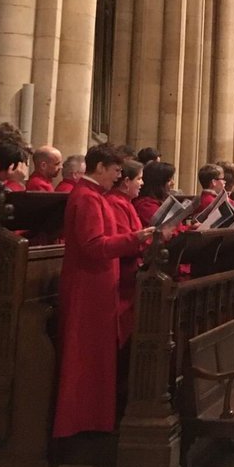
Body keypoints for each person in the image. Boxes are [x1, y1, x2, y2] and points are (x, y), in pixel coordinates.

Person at [52, 144, 154, 439]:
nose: (118, 177)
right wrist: (134, 239)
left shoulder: (96, 196)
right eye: (115, 171)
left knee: (97, 358)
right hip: (88, 286)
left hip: (99, 284)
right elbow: (93, 245)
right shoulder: (86, 197)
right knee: (84, 358)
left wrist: (132, 238)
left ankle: (96, 420)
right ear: (99, 168)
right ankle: (80, 423)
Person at [106, 160, 146, 344]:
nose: (142, 183)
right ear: (126, 181)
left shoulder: (126, 202)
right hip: (124, 280)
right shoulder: (116, 203)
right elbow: (126, 241)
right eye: (139, 178)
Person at [134, 161, 176, 225]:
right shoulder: (146, 206)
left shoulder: (157, 201)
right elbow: (165, 227)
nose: (173, 183)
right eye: (169, 180)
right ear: (158, 183)